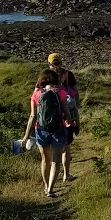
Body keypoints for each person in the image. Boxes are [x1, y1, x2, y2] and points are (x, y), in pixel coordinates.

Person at [24, 69, 72, 199]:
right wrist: (70, 122)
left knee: (45, 159)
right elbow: (66, 111)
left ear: (42, 80)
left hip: (41, 130)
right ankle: (50, 189)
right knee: (56, 161)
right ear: (55, 80)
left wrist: (26, 136)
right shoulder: (61, 92)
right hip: (58, 130)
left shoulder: (36, 95)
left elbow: (32, 116)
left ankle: (45, 187)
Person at [47, 52, 81, 183]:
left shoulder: (45, 76)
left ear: (48, 63)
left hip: (50, 117)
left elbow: (37, 94)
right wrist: (75, 110)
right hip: (67, 116)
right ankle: (66, 175)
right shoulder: (68, 74)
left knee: (51, 148)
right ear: (61, 62)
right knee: (66, 147)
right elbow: (76, 93)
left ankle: (50, 177)